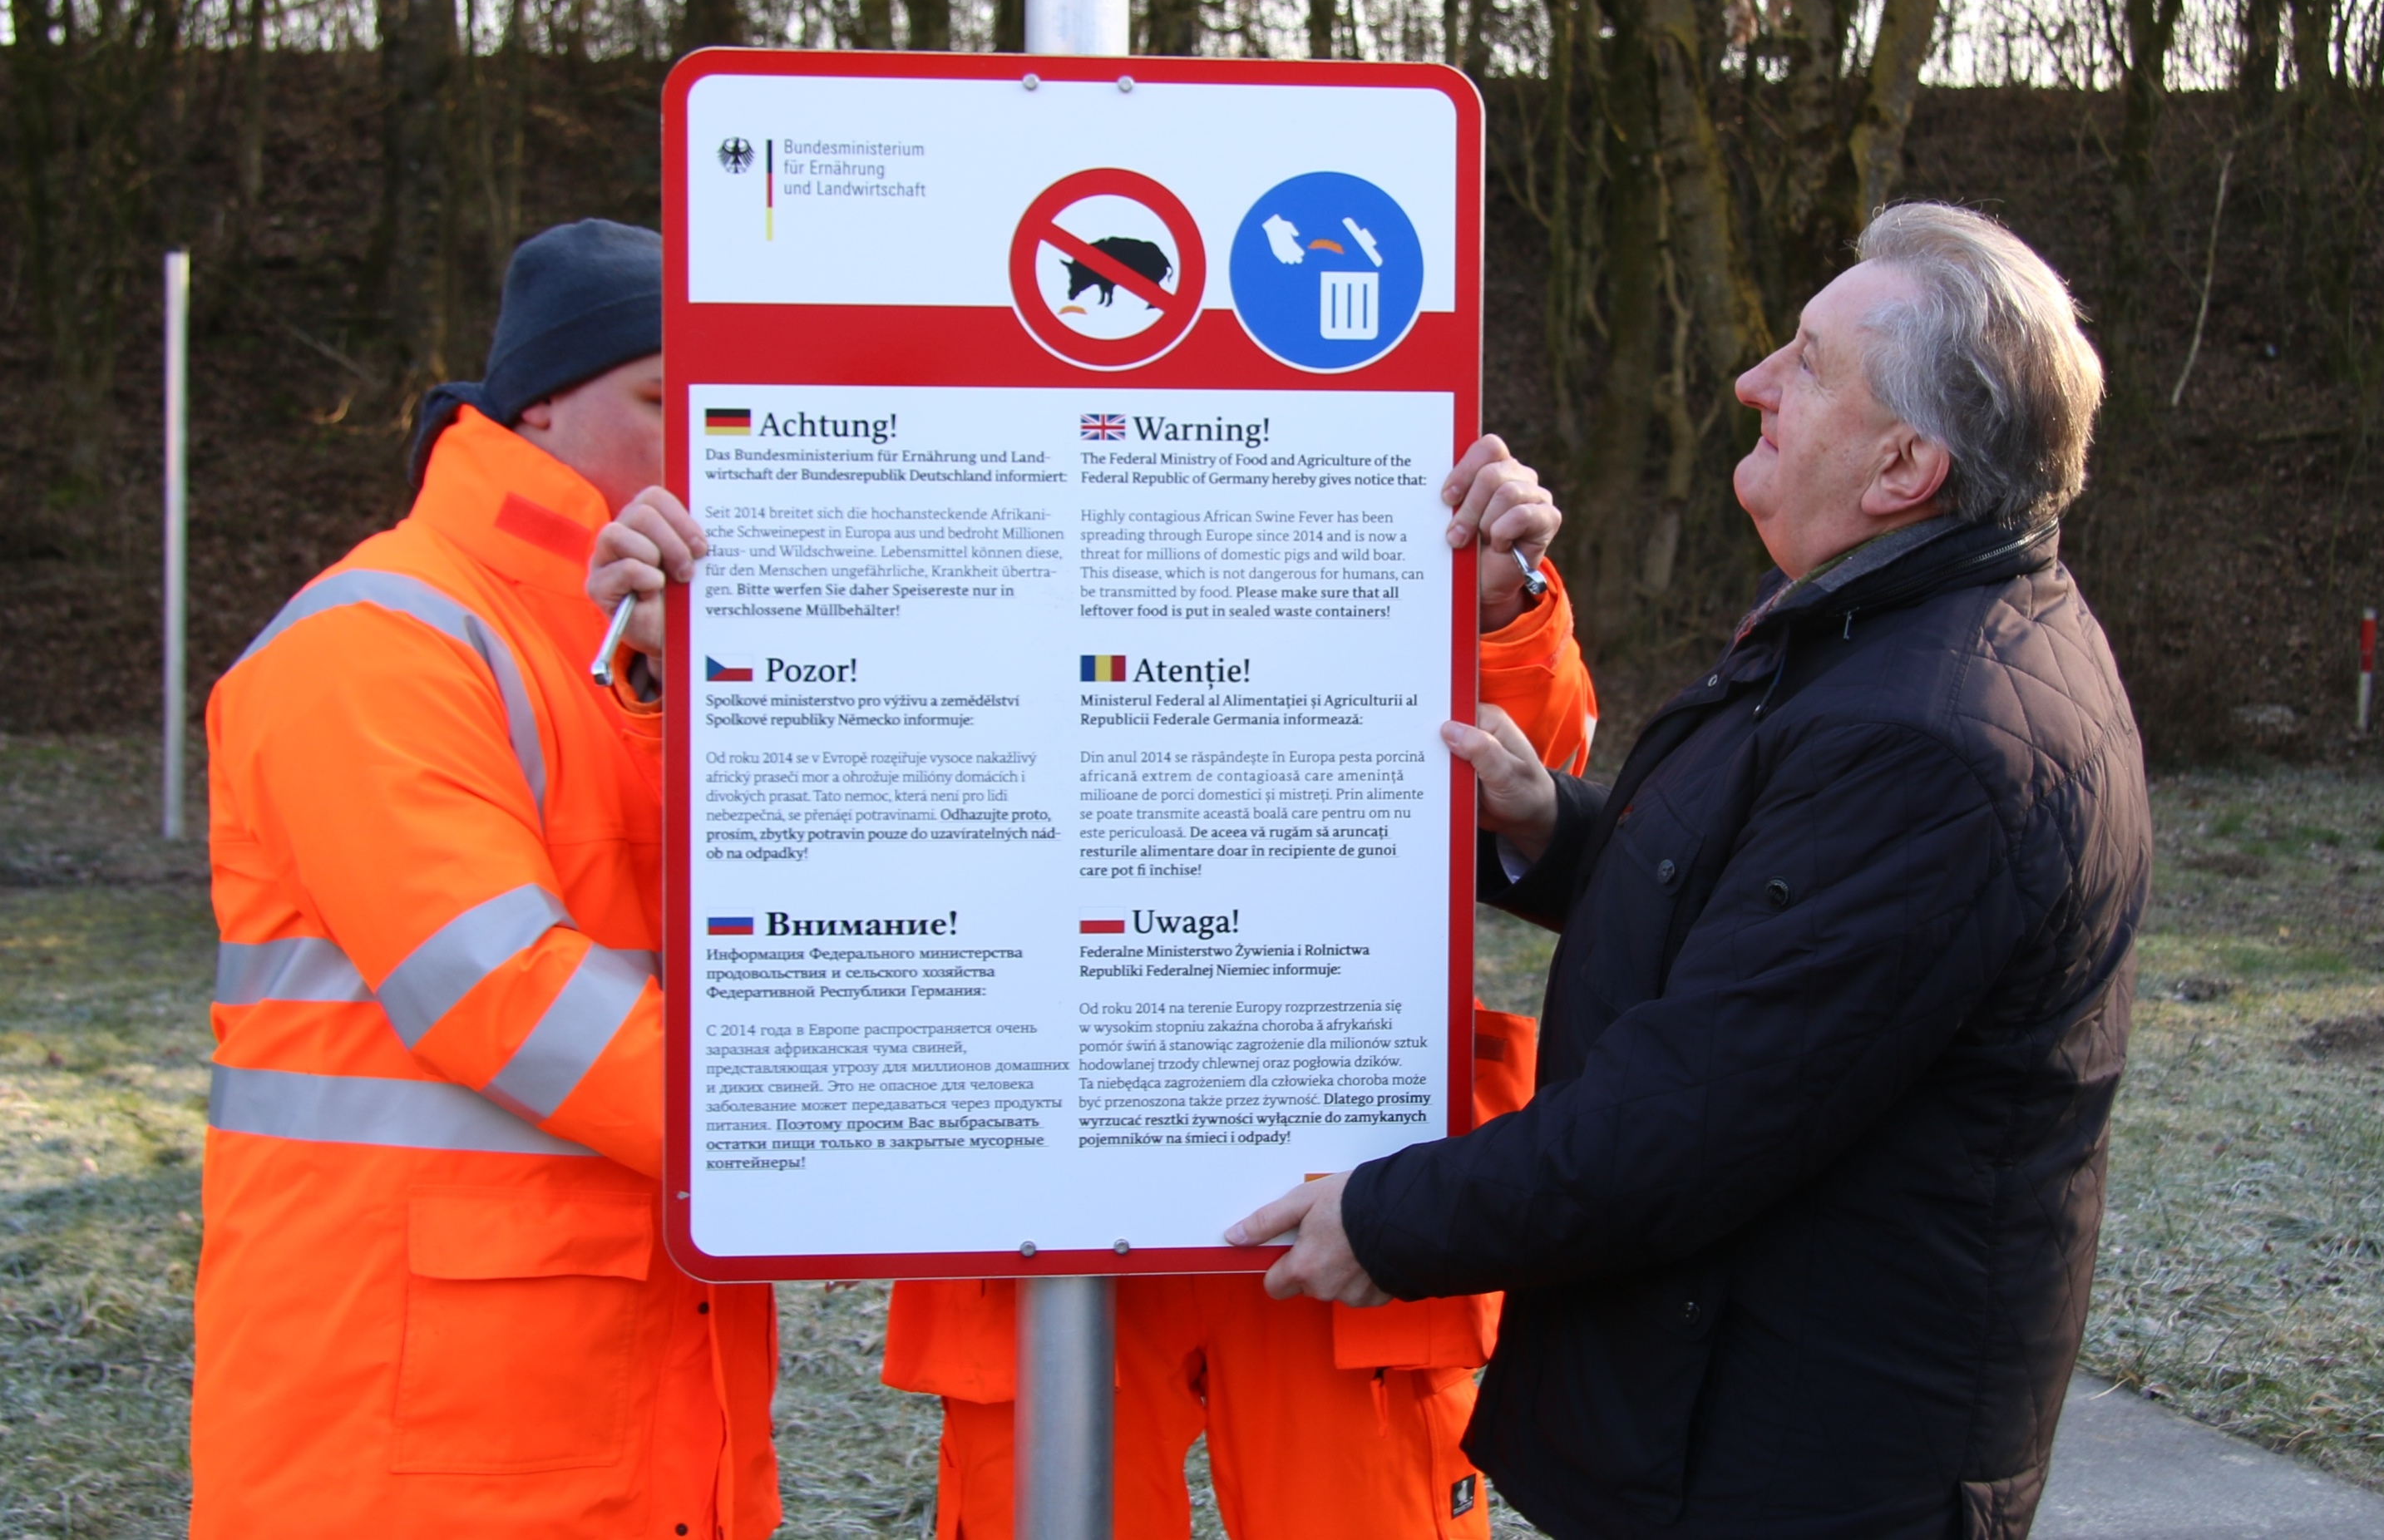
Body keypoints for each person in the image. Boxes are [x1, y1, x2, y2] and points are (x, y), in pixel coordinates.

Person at [1231, 202, 2152, 1540]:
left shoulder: (1936, 735)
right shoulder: (1897, 635)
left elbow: (1694, 1111)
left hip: (1805, 1470)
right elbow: (1764, 914)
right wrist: (1553, 823)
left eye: (1811, 363)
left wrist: (1387, 1219)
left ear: (1905, 466)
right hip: (1753, 1420)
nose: (1754, 382)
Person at [589, 437, 1597, 1540]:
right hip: (1037, 1201)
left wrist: (1499, 612)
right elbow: (740, 847)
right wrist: (677, 663)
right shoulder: (918, 460)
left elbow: (1521, 786)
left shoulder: (1350, 457)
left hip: (1334, 1175)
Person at [194, 220, 778, 1540]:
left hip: (615, 1393)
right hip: (412, 1422)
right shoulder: (378, 642)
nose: (704, 442)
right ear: (541, 405)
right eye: (661, 400)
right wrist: (799, 1145)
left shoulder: (635, 650)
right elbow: (502, 987)